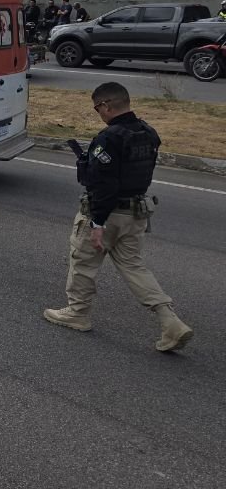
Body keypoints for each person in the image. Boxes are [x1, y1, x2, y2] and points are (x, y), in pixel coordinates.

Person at [43, 82, 193, 352]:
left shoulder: (109, 138)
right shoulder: (148, 133)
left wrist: (97, 223)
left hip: (107, 213)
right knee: (134, 267)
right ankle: (170, 321)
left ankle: (77, 313)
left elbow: (105, 184)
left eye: (97, 108)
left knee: (83, 263)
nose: (98, 113)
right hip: (136, 212)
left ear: (106, 106)